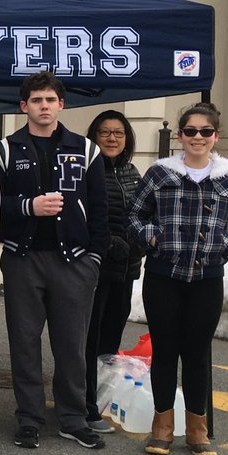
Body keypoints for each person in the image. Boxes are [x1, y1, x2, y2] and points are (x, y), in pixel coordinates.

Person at [128, 102, 228, 455]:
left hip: (206, 278)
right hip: (163, 276)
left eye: (205, 132)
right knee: (165, 351)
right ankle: (163, 427)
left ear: (215, 136)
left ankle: (198, 430)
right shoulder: (159, 174)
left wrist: (225, 246)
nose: (197, 137)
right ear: (180, 136)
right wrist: (152, 236)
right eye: (190, 131)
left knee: (198, 354)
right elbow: (134, 216)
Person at [0, 71, 109, 450]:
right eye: (36, 100)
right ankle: (29, 417)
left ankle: (72, 417)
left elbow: (100, 211)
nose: (44, 106)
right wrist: (29, 207)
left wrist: (93, 259)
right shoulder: (5, 150)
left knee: (71, 344)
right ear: (24, 106)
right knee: (24, 342)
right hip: (23, 259)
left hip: (74, 262)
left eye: (50, 100)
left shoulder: (86, 149)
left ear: (62, 104)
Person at [83, 110, 145, 433]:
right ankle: (85, 403)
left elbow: (144, 214)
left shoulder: (133, 173)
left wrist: (143, 241)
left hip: (127, 270)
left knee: (110, 341)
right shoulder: (86, 171)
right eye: (105, 132)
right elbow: (85, 217)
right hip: (96, 270)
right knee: (89, 340)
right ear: (94, 137)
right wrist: (108, 243)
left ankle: (103, 398)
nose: (111, 138)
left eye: (118, 133)